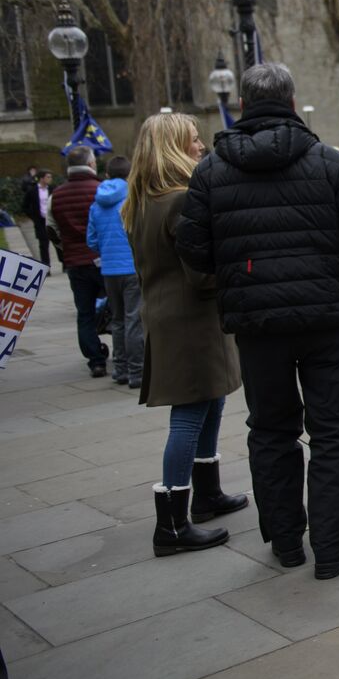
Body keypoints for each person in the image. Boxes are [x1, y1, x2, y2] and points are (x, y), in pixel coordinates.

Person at [176, 63, 339, 580]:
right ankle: (332, 546)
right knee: (334, 431)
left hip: (257, 320)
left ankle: (287, 541)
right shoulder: (328, 162)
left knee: (270, 430)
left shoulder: (211, 171)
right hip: (327, 316)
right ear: (292, 102)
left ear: (243, 104)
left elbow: (194, 251)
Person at [124, 114, 247, 557]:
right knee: (191, 412)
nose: (200, 148)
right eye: (194, 141)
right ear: (175, 147)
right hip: (190, 323)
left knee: (209, 399)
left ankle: (207, 496)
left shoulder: (143, 200)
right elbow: (199, 274)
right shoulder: (178, 200)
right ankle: (172, 525)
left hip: (171, 318)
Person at [46, 146, 107, 377]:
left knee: (84, 313)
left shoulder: (56, 196)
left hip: (75, 262)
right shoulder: (101, 190)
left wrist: (65, 251)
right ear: (91, 164)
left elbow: (51, 229)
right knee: (118, 308)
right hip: (103, 260)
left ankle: (96, 360)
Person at [86, 155, 143, 388]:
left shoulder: (96, 203)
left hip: (109, 270)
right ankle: (137, 371)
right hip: (131, 267)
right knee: (134, 320)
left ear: (107, 174)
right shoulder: (134, 198)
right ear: (130, 174)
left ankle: (120, 369)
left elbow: (91, 240)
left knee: (117, 319)